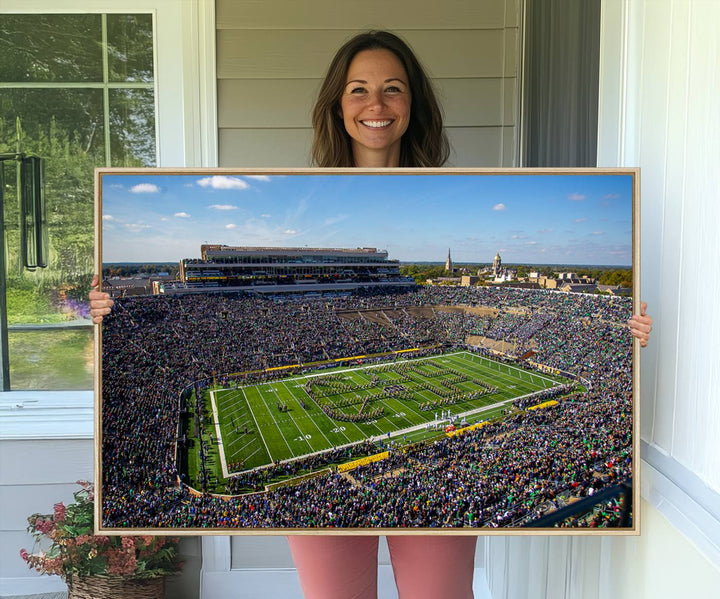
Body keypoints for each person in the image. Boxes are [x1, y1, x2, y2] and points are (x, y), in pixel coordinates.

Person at [89, 30, 652, 599]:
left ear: (414, 105)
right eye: (358, 89)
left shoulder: (455, 187)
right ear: (338, 104)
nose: (376, 104)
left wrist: (627, 329)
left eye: (393, 89)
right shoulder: (298, 191)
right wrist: (107, 311)